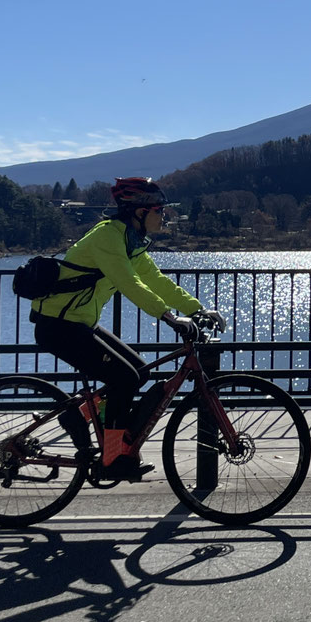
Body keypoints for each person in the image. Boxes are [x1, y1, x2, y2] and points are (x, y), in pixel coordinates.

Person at [31, 176, 224, 480]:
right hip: (58, 326)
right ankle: (112, 458)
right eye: (159, 210)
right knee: (124, 378)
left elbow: (155, 280)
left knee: (140, 372)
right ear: (139, 211)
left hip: (79, 323)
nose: (164, 216)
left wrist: (196, 309)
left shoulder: (129, 240)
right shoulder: (107, 236)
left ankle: (79, 415)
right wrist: (169, 317)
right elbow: (129, 283)